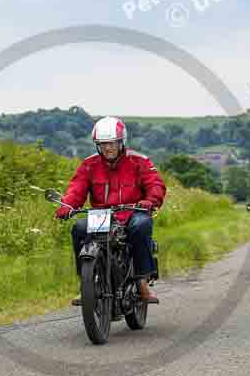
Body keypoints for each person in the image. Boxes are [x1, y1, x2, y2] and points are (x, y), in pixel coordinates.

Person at [54, 116, 166, 304]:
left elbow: (155, 184)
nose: (108, 148)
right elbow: (76, 188)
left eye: (112, 143)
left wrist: (150, 201)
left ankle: (141, 281)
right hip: (102, 215)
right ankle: (86, 284)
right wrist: (67, 206)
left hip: (132, 211)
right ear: (97, 145)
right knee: (79, 229)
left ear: (121, 142)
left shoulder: (140, 161)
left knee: (141, 225)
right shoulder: (89, 165)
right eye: (103, 144)